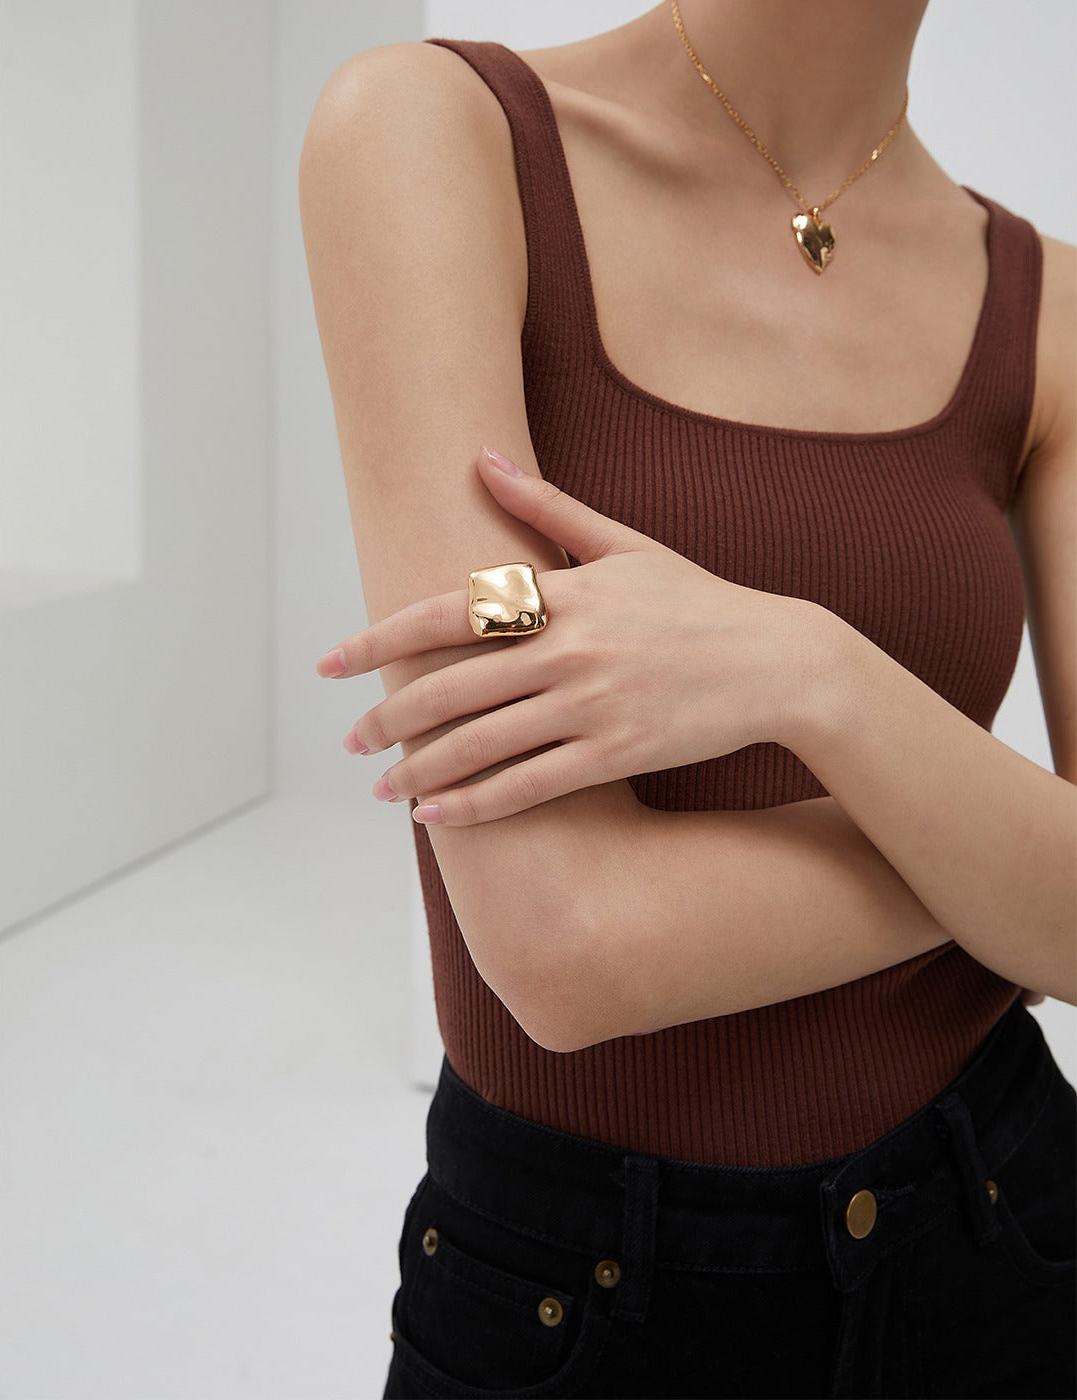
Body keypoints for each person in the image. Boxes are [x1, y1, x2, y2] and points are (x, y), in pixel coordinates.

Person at [298, 1, 1076, 1394]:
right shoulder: (437, 134)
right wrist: (1008, 859)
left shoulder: (1054, 310)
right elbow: (567, 946)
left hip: (1003, 1224)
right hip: (578, 1293)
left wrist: (809, 673)